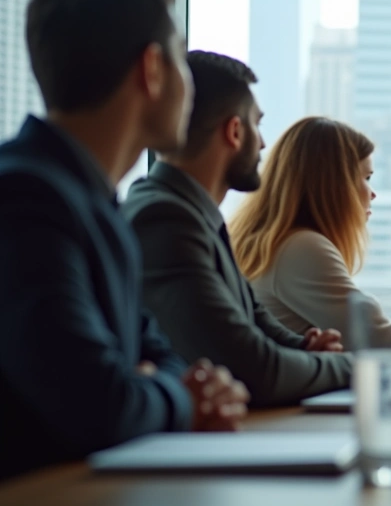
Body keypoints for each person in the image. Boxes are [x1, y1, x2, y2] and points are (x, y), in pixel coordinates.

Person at [0, 0, 248, 480]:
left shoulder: (92, 202)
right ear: (151, 69)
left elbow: (160, 353)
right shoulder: (25, 198)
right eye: (181, 59)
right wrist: (181, 398)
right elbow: (96, 402)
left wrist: (168, 385)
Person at [121, 51, 352, 408]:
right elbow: (257, 369)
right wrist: (361, 368)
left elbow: (260, 328)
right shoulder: (165, 220)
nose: (262, 143)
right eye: (257, 126)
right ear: (234, 131)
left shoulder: (194, 213)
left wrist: (308, 349)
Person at [229, 117, 391, 347]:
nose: (372, 193)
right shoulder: (300, 248)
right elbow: (384, 343)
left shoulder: (280, 243)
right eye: (365, 178)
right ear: (334, 185)